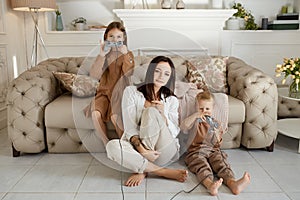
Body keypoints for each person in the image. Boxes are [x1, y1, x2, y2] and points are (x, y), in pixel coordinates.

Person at [106, 56, 188, 187]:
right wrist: (143, 151)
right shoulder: (131, 92)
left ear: (169, 78)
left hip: (164, 150)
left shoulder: (171, 100)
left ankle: (141, 168)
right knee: (112, 147)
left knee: (151, 112)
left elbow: (174, 132)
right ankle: (161, 171)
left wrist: (163, 115)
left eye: (166, 74)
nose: (161, 76)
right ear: (151, 71)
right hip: (139, 149)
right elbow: (129, 127)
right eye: (158, 71)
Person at [181, 91, 250, 196]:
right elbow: (184, 126)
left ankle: (233, 183)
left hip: (213, 150)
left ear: (212, 109)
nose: (204, 111)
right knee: (201, 165)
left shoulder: (216, 123)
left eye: (207, 109)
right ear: (197, 108)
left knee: (221, 163)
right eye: (201, 109)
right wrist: (196, 115)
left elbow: (218, 142)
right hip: (196, 151)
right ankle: (210, 185)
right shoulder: (195, 120)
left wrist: (217, 133)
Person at [84, 21, 135, 145]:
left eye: (118, 37)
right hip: (104, 92)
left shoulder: (127, 54)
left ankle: (126, 144)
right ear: (106, 37)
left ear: (123, 39)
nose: (114, 40)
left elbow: (129, 73)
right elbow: (94, 75)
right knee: (95, 113)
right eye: (111, 36)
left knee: (114, 117)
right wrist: (101, 55)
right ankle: (107, 144)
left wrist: (125, 54)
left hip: (120, 93)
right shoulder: (104, 55)